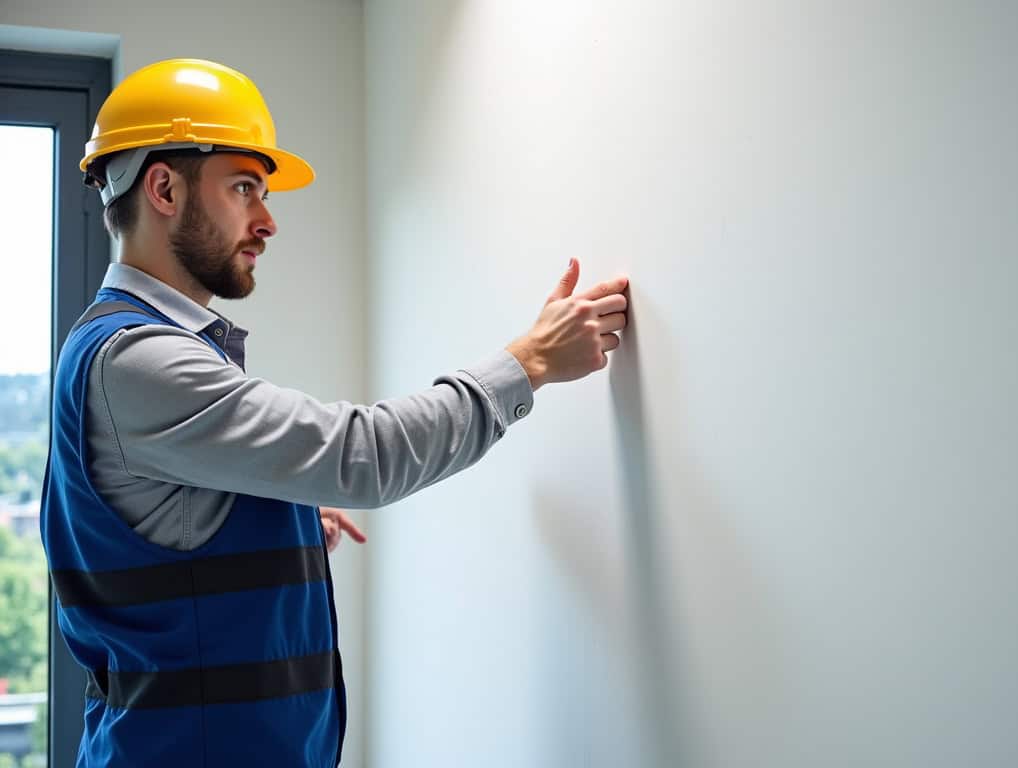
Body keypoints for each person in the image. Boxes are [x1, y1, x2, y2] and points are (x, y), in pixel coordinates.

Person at [40, 58, 629, 768]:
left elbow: (147, 528)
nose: (267, 221)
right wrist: (529, 362)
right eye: (245, 188)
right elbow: (363, 456)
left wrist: (267, 523)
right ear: (163, 188)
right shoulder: (139, 360)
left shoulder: (127, 347)